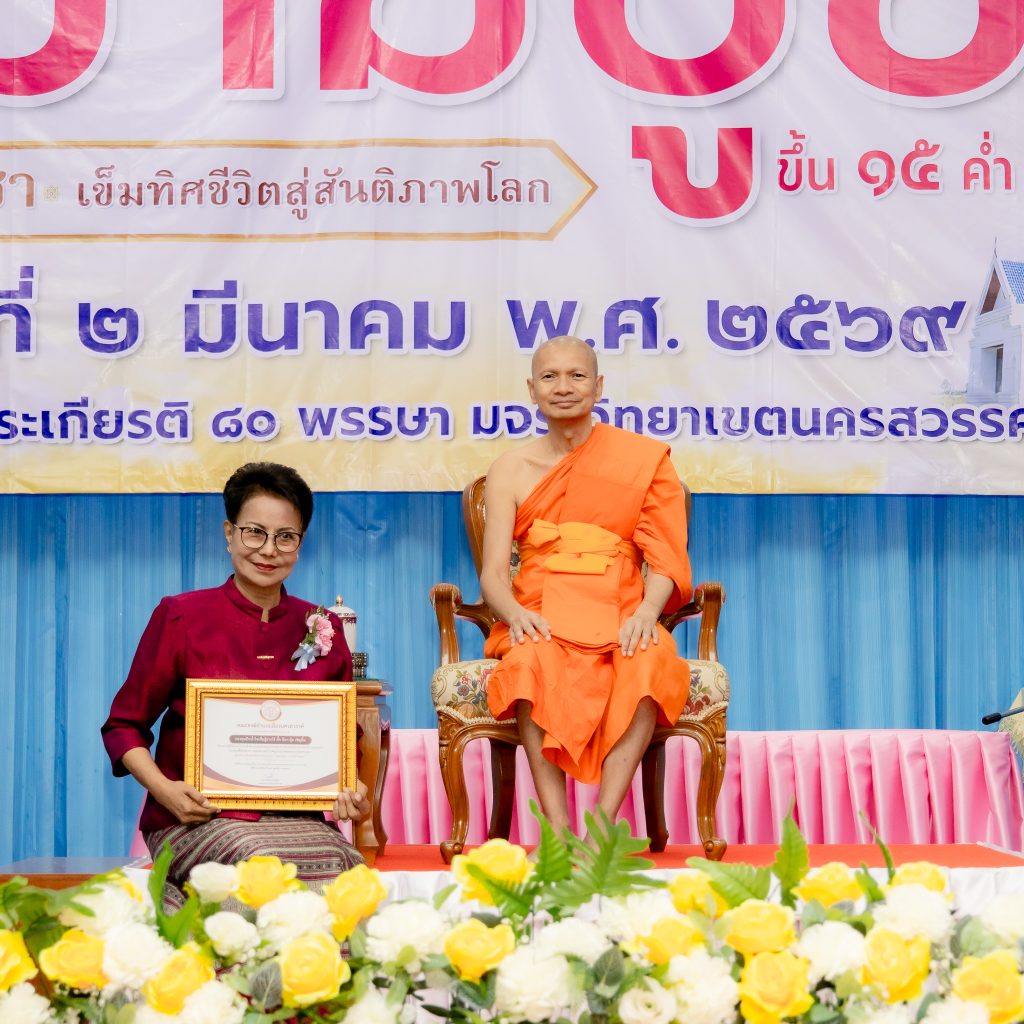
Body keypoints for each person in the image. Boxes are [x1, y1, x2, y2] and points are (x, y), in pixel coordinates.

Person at [101, 462, 369, 903]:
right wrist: (166, 791)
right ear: (229, 534)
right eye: (254, 533)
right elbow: (123, 727)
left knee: (348, 872)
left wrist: (352, 790)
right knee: (260, 865)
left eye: (286, 536)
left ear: (300, 543)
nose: (268, 550)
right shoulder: (182, 616)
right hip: (193, 819)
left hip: (297, 821)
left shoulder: (323, 626)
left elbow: (345, 741)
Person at [481, 337, 692, 837]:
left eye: (576, 376)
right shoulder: (510, 468)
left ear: (598, 387)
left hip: (621, 610)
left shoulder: (642, 459)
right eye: (549, 377)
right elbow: (492, 575)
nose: (563, 387)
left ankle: (602, 826)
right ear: (532, 389)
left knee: (648, 660)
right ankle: (557, 831)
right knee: (529, 661)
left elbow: (664, 556)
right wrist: (516, 615)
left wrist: (648, 612)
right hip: (541, 611)